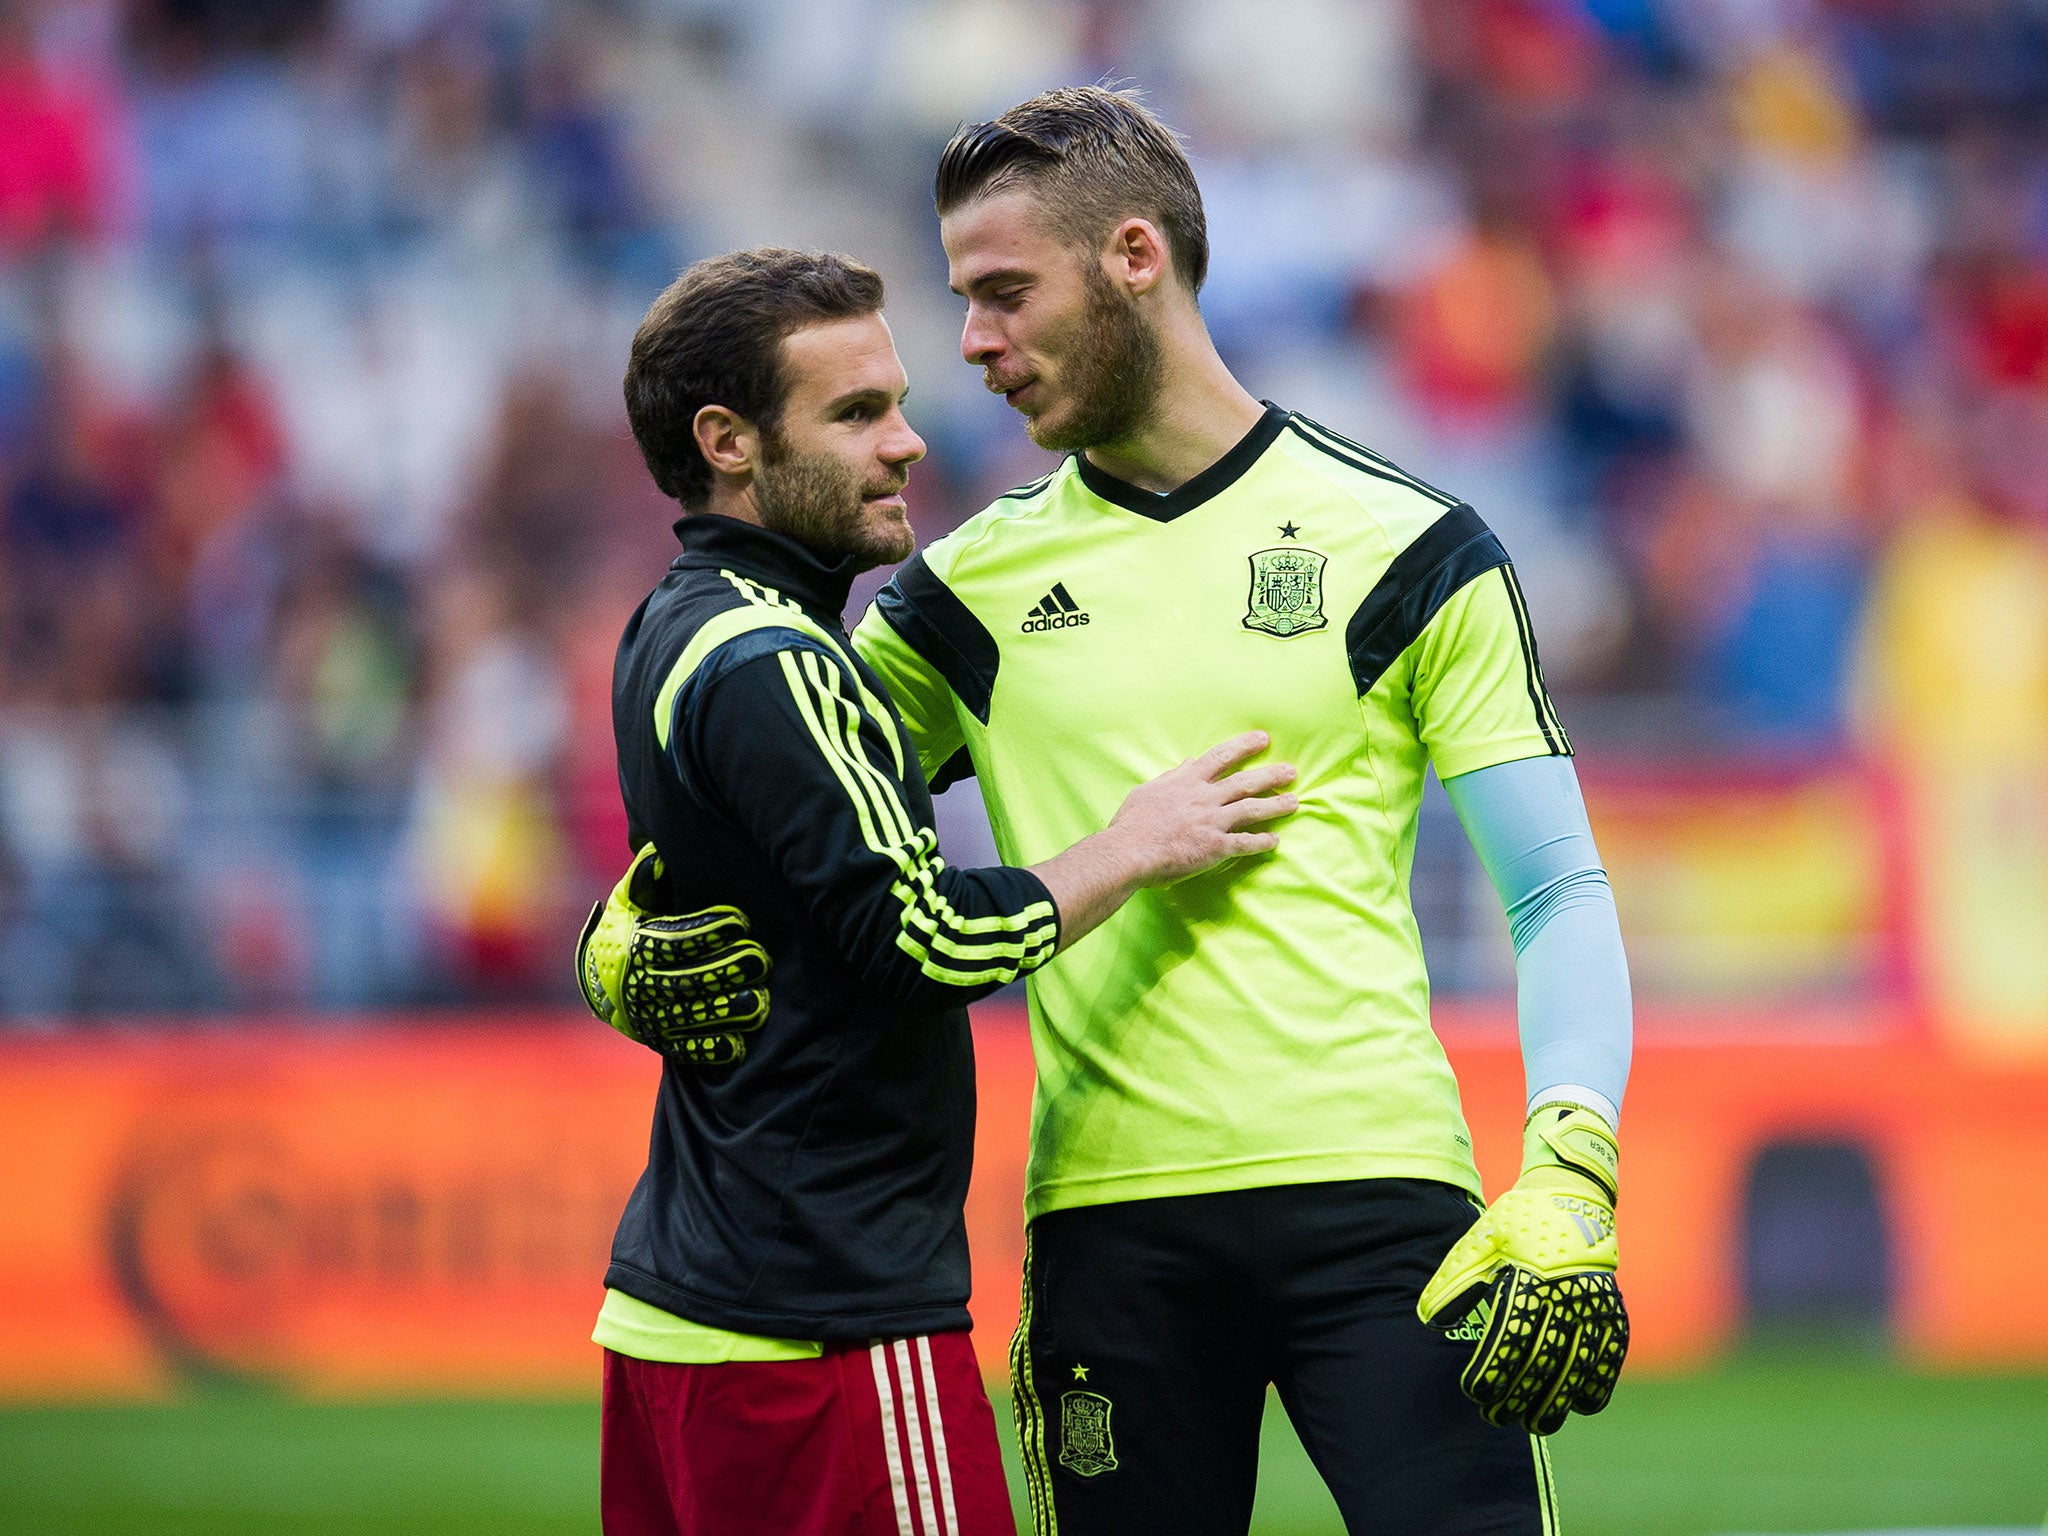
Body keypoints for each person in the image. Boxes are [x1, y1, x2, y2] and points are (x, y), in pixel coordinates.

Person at [598, 88, 1634, 1535]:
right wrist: (622, 929)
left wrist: (1573, 1161)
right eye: (964, 301)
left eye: (1004, 293)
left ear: (1135, 258)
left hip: (1386, 1206)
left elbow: (1555, 892)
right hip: (1108, 1233)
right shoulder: (962, 594)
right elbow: (769, 803)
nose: (971, 343)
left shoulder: (1410, 545)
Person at [584, 245, 1298, 1536]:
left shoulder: (668, 627)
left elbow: (709, 885)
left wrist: (606, 942)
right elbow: (920, 939)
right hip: (824, 1327)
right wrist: (1131, 843)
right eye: (856, 413)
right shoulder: (776, 660)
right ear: (728, 441)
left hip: (681, 1322)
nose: (908, 445)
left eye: (899, 403)